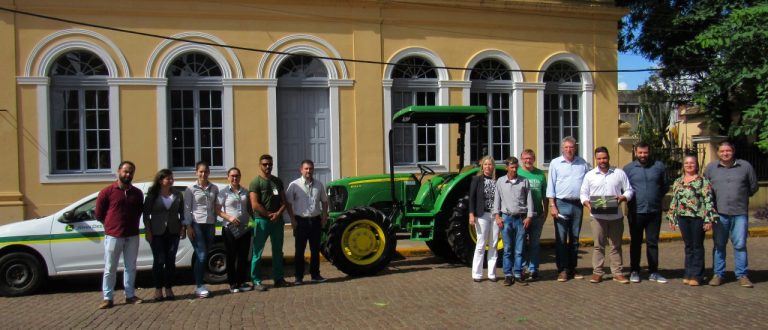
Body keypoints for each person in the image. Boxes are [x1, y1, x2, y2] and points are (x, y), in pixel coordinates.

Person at [704, 141, 759, 288]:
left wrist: (741, 197)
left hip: (739, 212)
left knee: (740, 245)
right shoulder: (711, 168)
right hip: (719, 213)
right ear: (718, 152)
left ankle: (742, 275)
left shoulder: (745, 166)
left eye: (728, 151)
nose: (725, 153)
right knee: (719, 245)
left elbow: (753, 186)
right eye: (722, 151)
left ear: (733, 151)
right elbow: (705, 189)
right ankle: (718, 274)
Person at [580, 147, 633, 284]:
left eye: (604, 158)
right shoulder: (590, 175)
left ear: (608, 157)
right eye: (599, 158)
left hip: (616, 216)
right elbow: (583, 193)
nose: (602, 161)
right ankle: (597, 272)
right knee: (599, 245)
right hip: (597, 217)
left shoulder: (619, 173)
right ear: (595, 159)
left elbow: (629, 190)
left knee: (616, 245)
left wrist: (622, 197)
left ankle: (617, 272)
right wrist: (587, 203)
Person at [95, 161, 144, 309]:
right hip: (114, 236)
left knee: (131, 267)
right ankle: (108, 297)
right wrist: (111, 226)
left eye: (131, 172)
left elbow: (139, 211)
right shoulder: (107, 192)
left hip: (132, 235)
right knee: (110, 267)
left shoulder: (137, 193)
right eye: (125, 171)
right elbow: (99, 214)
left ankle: (130, 295)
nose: (128, 174)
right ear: (118, 172)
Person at [666, 154, 718, 287]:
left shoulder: (702, 181)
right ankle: (688, 273)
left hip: (698, 217)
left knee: (697, 246)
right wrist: (672, 217)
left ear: (697, 165)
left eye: (692, 163)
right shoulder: (678, 181)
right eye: (686, 163)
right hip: (683, 217)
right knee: (688, 246)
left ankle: (697, 275)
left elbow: (708, 201)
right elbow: (675, 200)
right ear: (683, 166)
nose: (689, 166)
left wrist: (708, 220)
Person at [545, 136, 591, 282]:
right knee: (561, 239)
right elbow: (551, 185)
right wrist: (552, 205)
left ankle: (572, 268)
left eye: (571, 147)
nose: (569, 150)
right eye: (566, 147)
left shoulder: (582, 163)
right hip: (561, 203)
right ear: (562, 148)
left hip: (577, 205)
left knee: (575, 239)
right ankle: (563, 270)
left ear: (575, 148)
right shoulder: (555, 163)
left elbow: (589, 183)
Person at [623, 142, 669, 284]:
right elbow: (624, 189)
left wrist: (654, 197)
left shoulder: (659, 166)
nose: (643, 155)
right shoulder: (628, 169)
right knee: (635, 242)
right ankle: (634, 270)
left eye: (645, 152)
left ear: (649, 152)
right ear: (635, 152)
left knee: (652, 242)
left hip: (654, 211)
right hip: (636, 211)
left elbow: (665, 186)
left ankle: (653, 271)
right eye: (640, 153)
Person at [143, 169, 185, 301]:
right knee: (159, 260)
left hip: (173, 231)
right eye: (168, 178)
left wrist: (183, 228)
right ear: (161, 181)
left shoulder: (178, 194)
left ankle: (169, 288)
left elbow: (182, 213)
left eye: (172, 178)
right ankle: (158, 289)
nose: (171, 180)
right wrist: (148, 231)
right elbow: (146, 215)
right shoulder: (152, 195)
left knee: (170, 261)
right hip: (157, 232)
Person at [285, 160, 329, 285]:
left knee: (315, 250)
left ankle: (315, 275)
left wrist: (324, 216)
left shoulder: (319, 185)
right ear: (301, 170)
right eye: (306, 169)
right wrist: (292, 220)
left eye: (310, 168)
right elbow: (288, 203)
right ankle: (298, 277)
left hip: (315, 221)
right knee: (299, 250)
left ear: (313, 169)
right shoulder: (294, 185)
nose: (308, 171)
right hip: (300, 222)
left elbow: (325, 202)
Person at [250, 154, 289, 290]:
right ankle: (256, 281)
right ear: (260, 165)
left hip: (277, 221)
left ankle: (278, 278)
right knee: (257, 252)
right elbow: (254, 204)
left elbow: (284, 202)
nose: (268, 167)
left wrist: (278, 214)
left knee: (278, 251)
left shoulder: (277, 181)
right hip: (262, 221)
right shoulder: (256, 183)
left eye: (270, 164)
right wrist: (267, 214)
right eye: (265, 164)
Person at [493, 156, 534, 286]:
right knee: (508, 248)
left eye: (516, 167)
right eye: (512, 167)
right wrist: (497, 216)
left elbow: (529, 200)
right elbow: (497, 200)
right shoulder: (500, 181)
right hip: (506, 218)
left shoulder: (524, 181)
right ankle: (508, 274)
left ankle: (518, 273)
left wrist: (529, 216)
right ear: (507, 168)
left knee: (519, 248)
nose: (514, 170)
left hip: (521, 218)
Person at [183, 161, 220, 298]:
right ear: (196, 172)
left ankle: (200, 283)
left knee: (204, 254)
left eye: (205, 171)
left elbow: (216, 206)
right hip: (196, 224)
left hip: (210, 224)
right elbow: (187, 209)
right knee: (202, 254)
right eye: (201, 171)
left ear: (209, 172)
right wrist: (188, 226)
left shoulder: (214, 188)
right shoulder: (190, 189)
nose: (203, 174)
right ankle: (199, 285)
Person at [217, 167, 254, 293]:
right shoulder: (223, 192)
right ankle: (232, 283)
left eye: (237, 176)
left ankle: (241, 282)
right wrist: (230, 217)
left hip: (244, 228)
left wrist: (252, 224)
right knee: (231, 256)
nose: (234, 178)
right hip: (229, 228)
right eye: (232, 176)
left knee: (243, 256)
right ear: (228, 177)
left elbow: (249, 210)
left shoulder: (245, 191)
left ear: (240, 177)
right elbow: (217, 210)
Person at [468, 156, 501, 282]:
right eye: (486, 164)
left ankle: (492, 274)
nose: (488, 167)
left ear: (493, 167)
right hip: (482, 215)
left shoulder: (497, 181)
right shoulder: (477, 179)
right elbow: (471, 198)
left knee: (493, 244)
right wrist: (471, 214)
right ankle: (477, 274)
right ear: (482, 166)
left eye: (490, 164)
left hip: (495, 215)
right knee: (481, 244)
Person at [518, 149, 547, 281]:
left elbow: (545, 195)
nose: (527, 161)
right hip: (522, 215)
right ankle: (523, 268)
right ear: (521, 159)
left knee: (535, 244)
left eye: (530, 158)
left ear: (534, 159)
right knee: (522, 243)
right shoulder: (517, 173)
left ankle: (533, 269)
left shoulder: (540, 174)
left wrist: (546, 211)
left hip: (537, 214)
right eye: (525, 158)